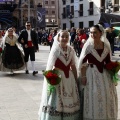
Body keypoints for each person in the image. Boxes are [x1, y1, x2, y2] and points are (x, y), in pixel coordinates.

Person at [38, 30, 80, 120]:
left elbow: (73, 66)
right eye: (62, 36)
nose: (64, 38)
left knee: (70, 99)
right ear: (58, 38)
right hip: (58, 78)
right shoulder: (55, 50)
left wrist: (76, 80)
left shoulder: (71, 50)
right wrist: (50, 80)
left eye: (66, 37)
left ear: (69, 38)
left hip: (69, 79)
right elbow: (49, 66)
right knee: (57, 100)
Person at [78, 24, 118, 120]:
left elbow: (108, 62)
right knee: (94, 96)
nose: (92, 35)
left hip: (105, 74)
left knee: (107, 96)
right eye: (91, 33)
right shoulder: (88, 46)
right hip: (91, 74)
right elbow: (82, 63)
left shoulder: (106, 46)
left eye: (95, 32)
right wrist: (83, 77)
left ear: (100, 33)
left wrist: (113, 73)